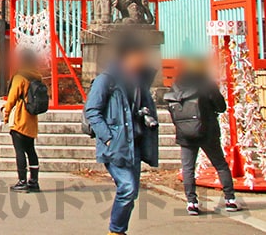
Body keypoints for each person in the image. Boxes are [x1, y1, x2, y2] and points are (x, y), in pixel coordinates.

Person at [84, 35, 159, 235]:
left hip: (134, 141)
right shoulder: (106, 80)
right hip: (116, 142)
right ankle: (115, 231)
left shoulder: (139, 80)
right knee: (127, 188)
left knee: (130, 191)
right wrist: (108, 137)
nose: (143, 59)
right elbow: (91, 110)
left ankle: (120, 230)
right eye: (140, 55)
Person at [166, 57, 239, 214]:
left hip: (185, 133)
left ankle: (192, 202)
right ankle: (230, 199)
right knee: (220, 164)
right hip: (207, 131)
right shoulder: (206, 84)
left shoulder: (176, 86)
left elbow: (171, 108)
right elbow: (221, 106)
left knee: (188, 168)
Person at [3, 48, 43, 192]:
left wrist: (6, 115)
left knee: (19, 151)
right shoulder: (37, 76)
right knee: (31, 150)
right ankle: (34, 181)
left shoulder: (20, 76)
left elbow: (12, 98)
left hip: (20, 118)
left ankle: (22, 181)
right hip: (32, 119)